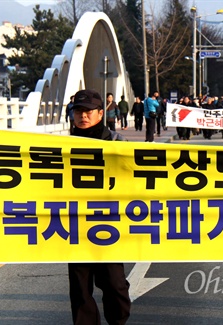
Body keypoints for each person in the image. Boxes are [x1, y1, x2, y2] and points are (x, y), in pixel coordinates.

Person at [69, 89, 131, 325]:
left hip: (109, 223)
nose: (83, 116)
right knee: (80, 287)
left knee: (115, 284)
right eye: (78, 111)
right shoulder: (58, 145)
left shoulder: (117, 142)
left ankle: (118, 321)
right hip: (73, 225)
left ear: (100, 113)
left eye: (88, 111)